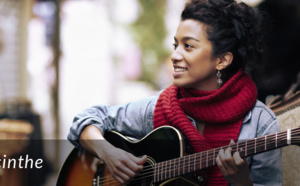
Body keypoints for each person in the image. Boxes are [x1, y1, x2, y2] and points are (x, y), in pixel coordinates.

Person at [68, 0, 282, 185]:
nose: (174, 55)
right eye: (175, 45)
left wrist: (242, 182)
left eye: (188, 46)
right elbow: (86, 119)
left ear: (222, 60)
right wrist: (110, 153)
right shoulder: (160, 107)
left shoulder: (260, 124)